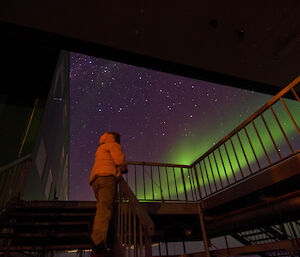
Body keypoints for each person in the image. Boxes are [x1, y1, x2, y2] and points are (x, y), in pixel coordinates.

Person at [89, 132, 127, 256]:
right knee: (104, 210)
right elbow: (119, 159)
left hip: (96, 179)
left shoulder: (100, 148)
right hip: (106, 177)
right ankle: (98, 242)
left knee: (101, 208)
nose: (101, 136)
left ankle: (100, 239)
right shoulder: (113, 144)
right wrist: (123, 167)